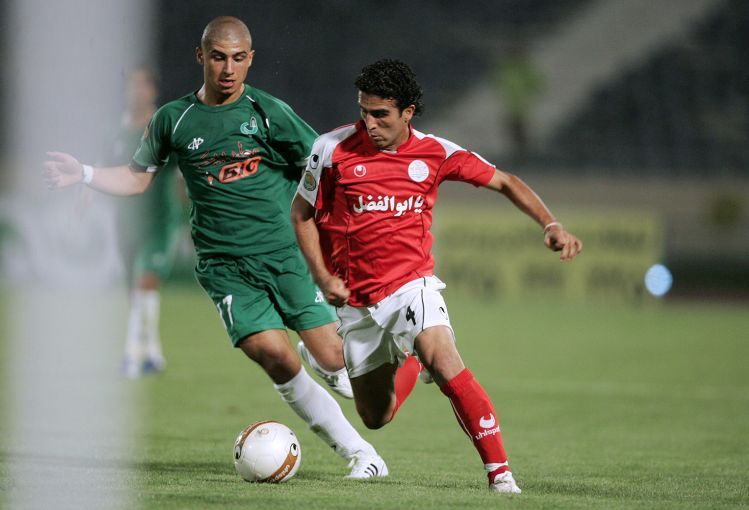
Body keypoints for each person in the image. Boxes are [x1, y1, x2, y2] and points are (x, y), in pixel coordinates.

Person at [44, 16, 388, 478]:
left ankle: (331, 358)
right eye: (219, 57)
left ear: (251, 59)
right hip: (224, 267)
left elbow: (323, 166)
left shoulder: (268, 112)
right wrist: (83, 173)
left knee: (334, 361)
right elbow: (136, 178)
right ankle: (362, 455)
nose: (228, 69)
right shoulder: (173, 118)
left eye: (238, 58)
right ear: (201, 56)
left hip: (286, 257)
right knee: (275, 357)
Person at [291, 59, 583, 494]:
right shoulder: (331, 149)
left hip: (413, 286)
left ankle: (500, 474)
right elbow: (301, 214)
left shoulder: (435, 153)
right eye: (364, 112)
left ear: (408, 112)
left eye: (381, 114)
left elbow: (505, 181)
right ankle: (411, 358)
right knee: (376, 417)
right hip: (354, 300)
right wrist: (322, 276)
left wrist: (550, 223)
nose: (370, 123)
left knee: (446, 362)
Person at [105, 67, 185, 378]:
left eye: (141, 85)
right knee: (134, 290)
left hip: (160, 221)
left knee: (145, 283)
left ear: (153, 90)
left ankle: (131, 356)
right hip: (127, 220)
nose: (136, 91)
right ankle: (152, 353)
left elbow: (184, 168)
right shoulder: (115, 130)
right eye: (131, 86)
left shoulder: (164, 127)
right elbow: (105, 169)